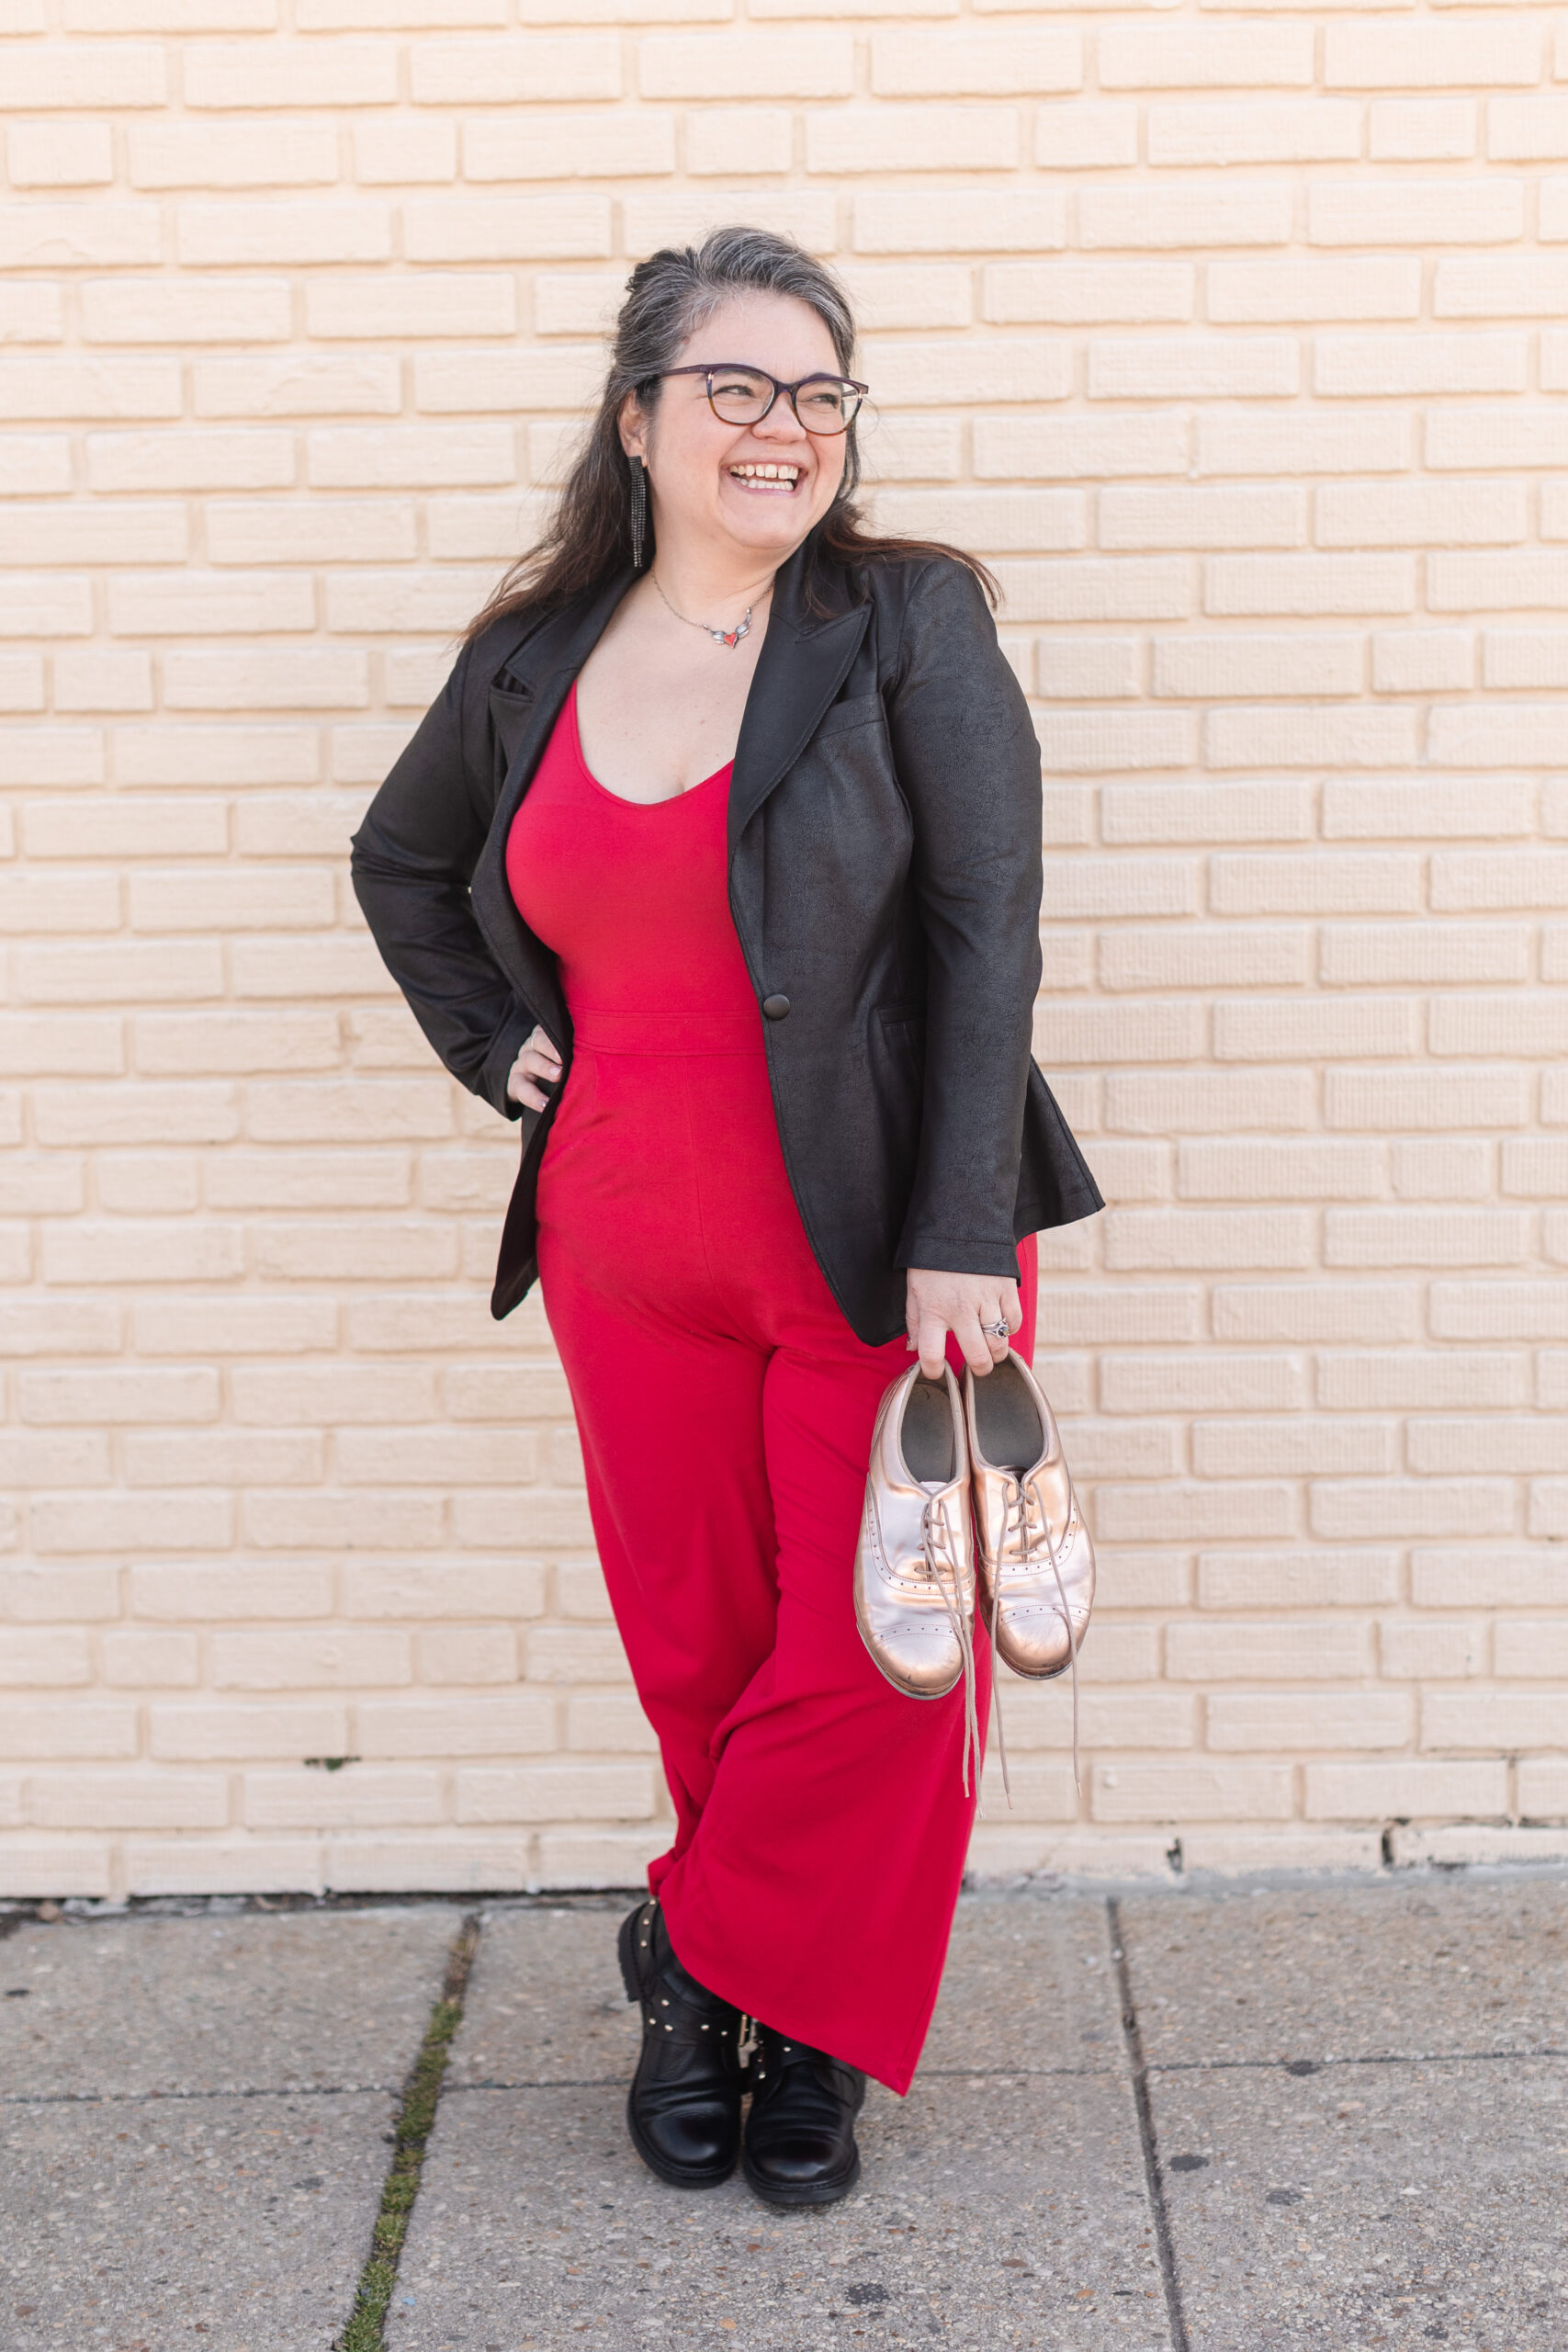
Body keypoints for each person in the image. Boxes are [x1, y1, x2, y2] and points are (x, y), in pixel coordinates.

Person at [351, 225, 1102, 2208]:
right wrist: (493, 1044)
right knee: (697, 1643)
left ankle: (713, 1957)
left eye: (820, 394)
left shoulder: (906, 622)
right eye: (739, 389)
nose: (785, 429)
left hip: (885, 1241)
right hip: (626, 1248)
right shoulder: (529, 657)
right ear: (639, 418)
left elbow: (982, 926)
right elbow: (401, 861)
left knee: (869, 1662)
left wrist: (965, 1220)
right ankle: (737, 2014)